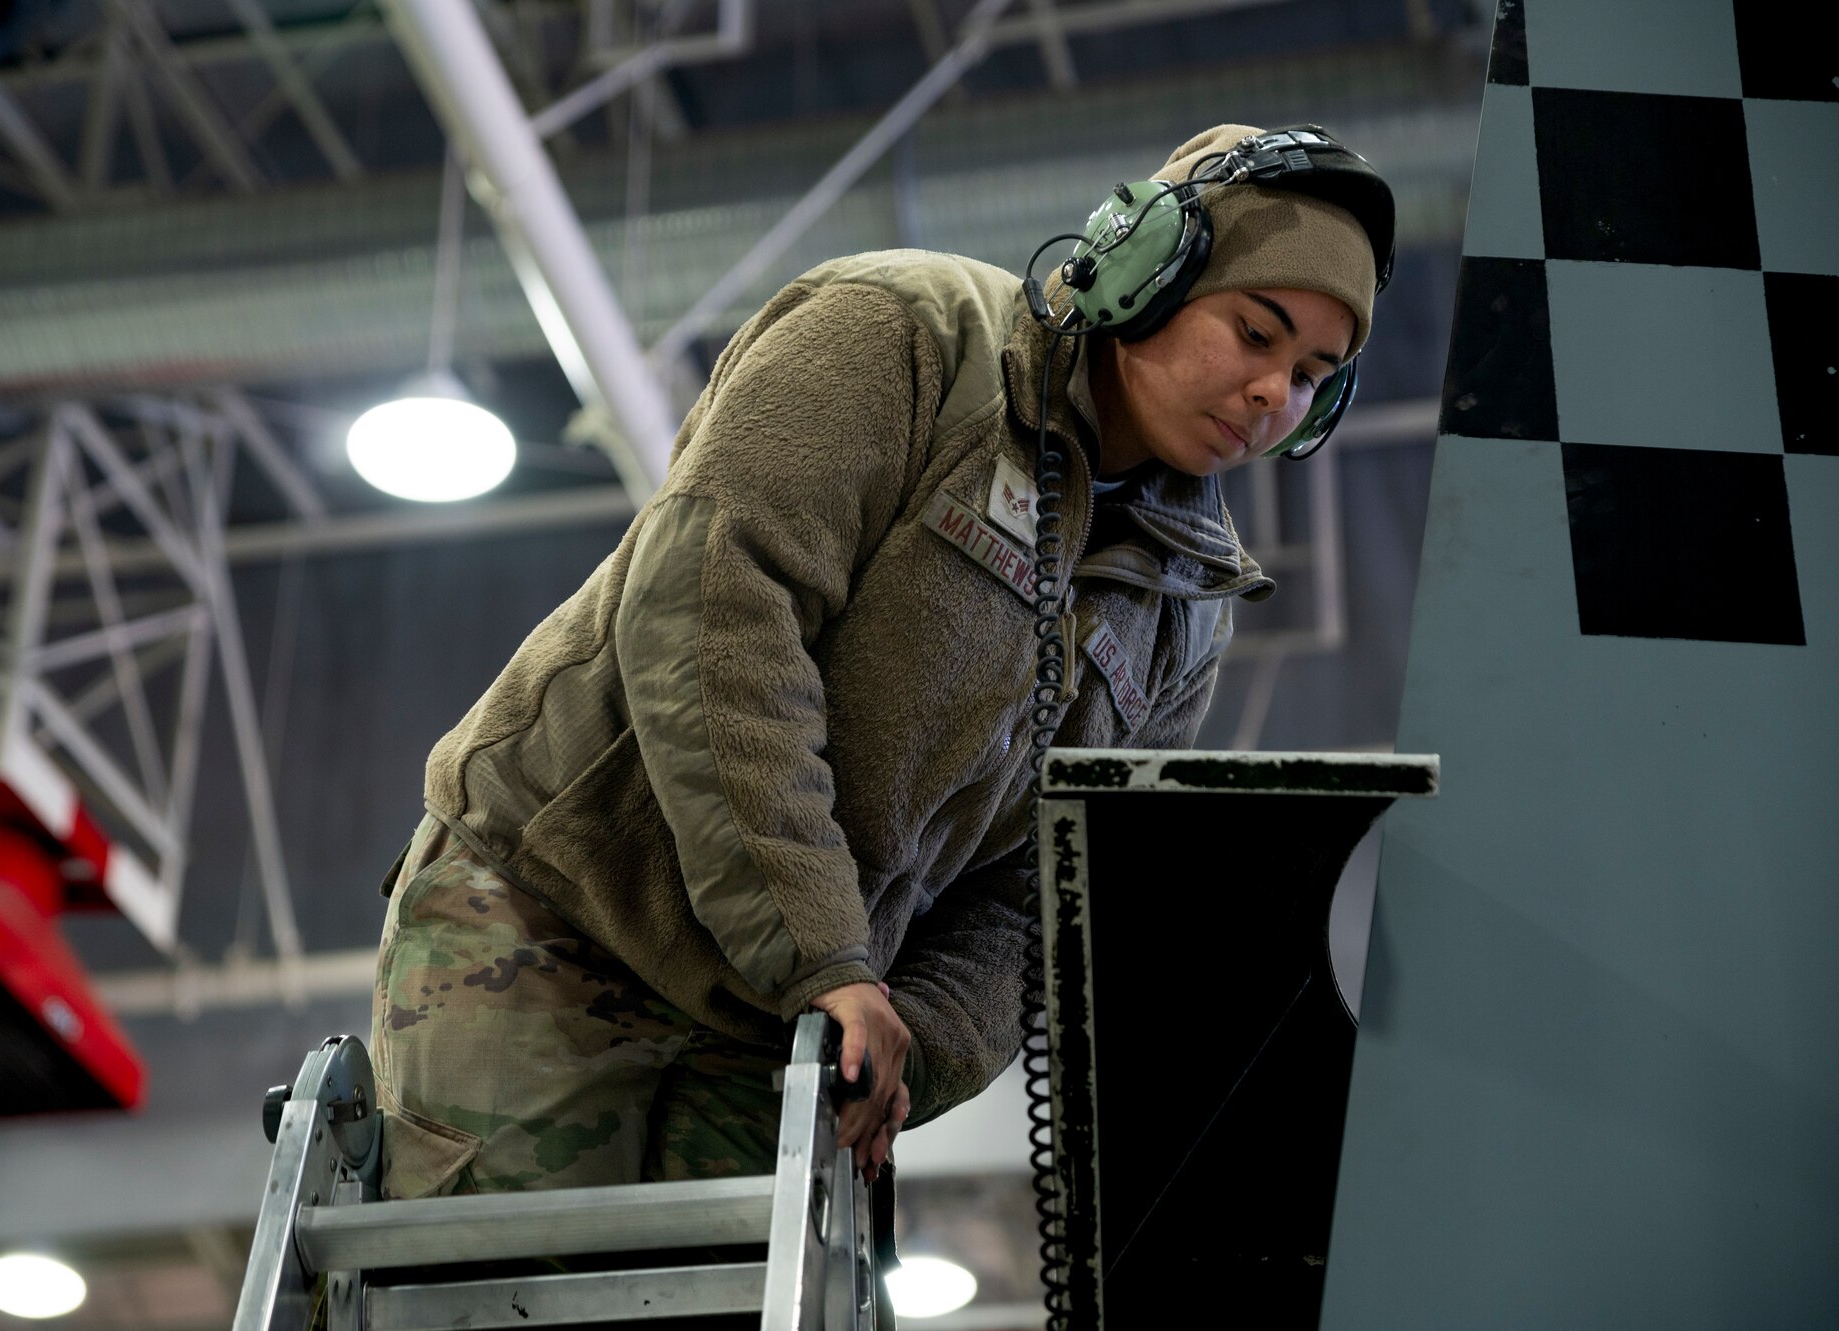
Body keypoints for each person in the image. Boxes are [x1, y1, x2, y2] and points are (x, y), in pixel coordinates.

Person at [369, 122, 1384, 1199]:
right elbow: (714, 616)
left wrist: (900, 1050)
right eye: (1254, 331)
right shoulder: (901, 337)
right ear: (1143, 265)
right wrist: (821, 954)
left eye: (1314, 373)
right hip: (555, 909)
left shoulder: (1183, 609)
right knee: (489, 1299)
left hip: (785, 1024)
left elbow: (1039, 893)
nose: (1274, 391)